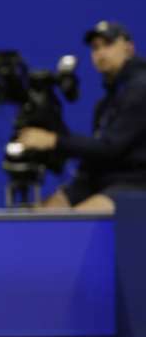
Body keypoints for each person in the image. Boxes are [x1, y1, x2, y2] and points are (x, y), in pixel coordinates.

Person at [20, 21, 146, 212]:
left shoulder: (140, 89)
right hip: (103, 183)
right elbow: (95, 158)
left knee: (71, 226)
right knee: (38, 219)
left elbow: (110, 148)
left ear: (129, 48)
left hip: (137, 185)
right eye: (95, 48)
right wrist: (69, 194)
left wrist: (53, 141)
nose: (100, 53)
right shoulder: (106, 103)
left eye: (108, 44)